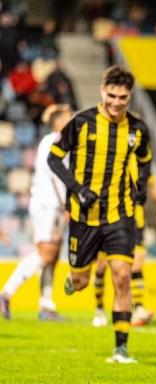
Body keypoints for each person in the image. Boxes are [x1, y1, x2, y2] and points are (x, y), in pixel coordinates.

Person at [47, 65, 152, 363]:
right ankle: (74, 279)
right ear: (102, 91)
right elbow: (53, 159)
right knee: (81, 282)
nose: (117, 102)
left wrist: (141, 186)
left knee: (121, 276)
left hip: (120, 215)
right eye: (112, 95)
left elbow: (145, 161)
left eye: (123, 97)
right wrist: (77, 188)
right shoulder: (80, 122)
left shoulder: (137, 129)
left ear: (130, 96)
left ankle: (121, 349)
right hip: (83, 216)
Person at [0, 104, 72, 321]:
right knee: (45, 253)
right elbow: (55, 176)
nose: (72, 123)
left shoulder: (52, 141)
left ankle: (46, 305)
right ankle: (6, 293)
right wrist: (66, 205)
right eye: (69, 118)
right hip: (48, 205)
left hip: (51, 205)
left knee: (53, 255)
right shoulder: (53, 141)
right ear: (59, 121)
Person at [92, 168, 156, 328]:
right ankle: (99, 309)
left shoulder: (140, 160)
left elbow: (153, 184)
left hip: (135, 222)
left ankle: (138, 308)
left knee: (137, 264)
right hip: (109, 220)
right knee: (100, 267)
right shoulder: (110, 156)